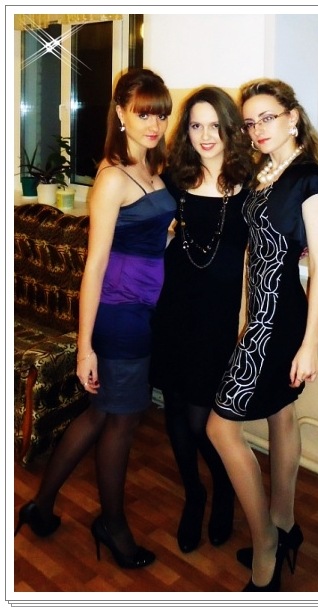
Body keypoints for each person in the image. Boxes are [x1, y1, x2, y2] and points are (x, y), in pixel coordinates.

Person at [14, 68, 176, 569]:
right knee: (121, 423)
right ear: (121, 113)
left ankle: (41, 507)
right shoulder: (111, 178)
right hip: (120, 314)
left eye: (161, 114)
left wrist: (168, 235)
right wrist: (85, 347)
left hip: (145, 310)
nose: (154, 124)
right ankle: (113, 525)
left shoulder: (152, 166)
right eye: (144, 113)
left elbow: (147, 234)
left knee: (100, 413)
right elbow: (95, 265)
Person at [207, 77, 318, 591]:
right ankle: (284, 523)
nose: (258, 128)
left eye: (268, 117)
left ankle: (266, 544)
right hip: (260, 314)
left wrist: (310, 345)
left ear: (293, 117)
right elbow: (252, 254)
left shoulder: (310, 179)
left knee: (220, 429)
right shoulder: (264, 172)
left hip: (280, 321)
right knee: (281, 413)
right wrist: (244, 312)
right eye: (250, 121)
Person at [150, 86, 253, 553]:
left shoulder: (251, 186)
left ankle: (224, 489)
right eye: (195, 125)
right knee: (175, 408)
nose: (205, 135)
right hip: (173, 309)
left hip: (218, 319)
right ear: (185, 131)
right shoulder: (174, 180)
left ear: (230, 129)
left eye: (214, 125)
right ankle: (194, 494)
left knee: (206, 419)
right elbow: (144, 227)